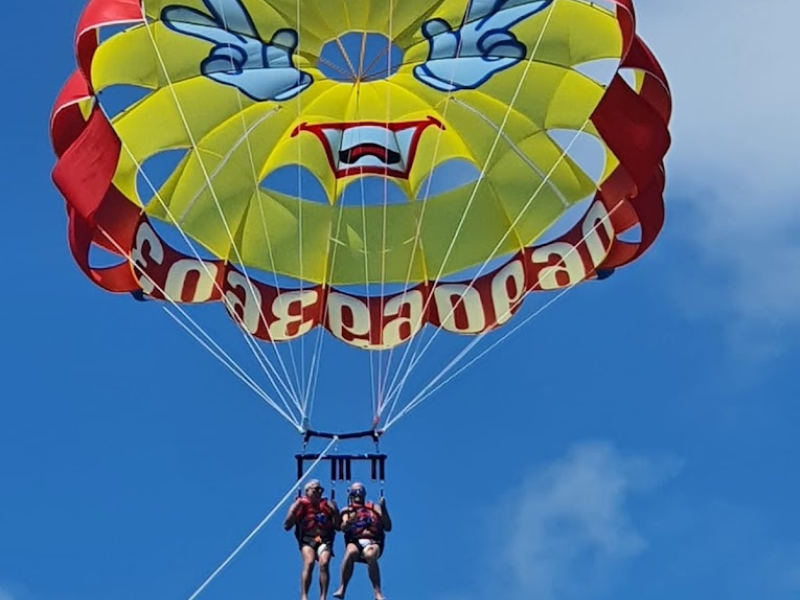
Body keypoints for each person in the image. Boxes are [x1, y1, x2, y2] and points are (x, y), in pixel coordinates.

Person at [333, 482, 392, 600]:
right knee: (350, 552)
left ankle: (377, 592)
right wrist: (350, 521)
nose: (358, 494)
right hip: (355, 541)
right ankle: (342, 587)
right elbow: (342, 528)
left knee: (370, 555)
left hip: (373, 542)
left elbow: (388, 527)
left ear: (364, 493)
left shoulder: (375, 508)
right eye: (355, 491)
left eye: (360, 491)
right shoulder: (347, 510)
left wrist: (383, 508)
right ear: (351, 494)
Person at [284, 479, 340, 600]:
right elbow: (286, 526)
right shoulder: (300, 505)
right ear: (307, 491)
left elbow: (338, 527)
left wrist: (335, 512)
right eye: (316, 490)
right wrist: (294, 510)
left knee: (324, 563)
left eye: (320, 490)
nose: (319, 492)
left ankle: (323, 596)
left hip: (323, 539)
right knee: (309, 563)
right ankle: (304, 596)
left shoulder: (327, 505)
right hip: (307, 539)